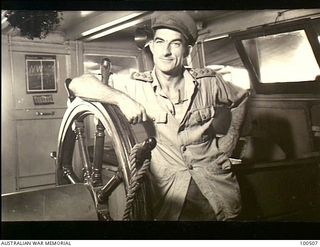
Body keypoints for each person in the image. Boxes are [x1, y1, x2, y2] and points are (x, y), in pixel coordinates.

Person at [69, 11, 249, 221]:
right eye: (160, 42)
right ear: (151, 46)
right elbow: (77, 84)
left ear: (187, 50)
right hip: (169, 195)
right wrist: (122, 100)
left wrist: (232, 136)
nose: (166, 51)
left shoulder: (209, 82)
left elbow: (241, 98)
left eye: (175, 44)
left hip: (217, 188)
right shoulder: (135, 87)